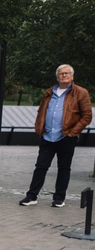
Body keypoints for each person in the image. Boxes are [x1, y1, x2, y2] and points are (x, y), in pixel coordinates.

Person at [19, 65, 91, 207]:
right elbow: (42, 111)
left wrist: (72, 133)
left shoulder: (80, 93)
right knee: (40, 166)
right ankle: (31, 196)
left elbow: (87, 116)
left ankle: (59, 198)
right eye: (61, 74)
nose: (63, 76)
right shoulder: (49, 92)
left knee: (63, 168)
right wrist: (39, 127)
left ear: (72, 76)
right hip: (47, 137)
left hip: (66, 137)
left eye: (66, 73)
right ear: (57, 76)